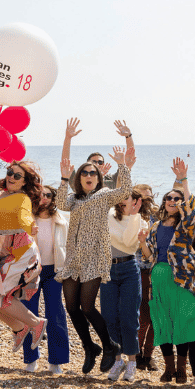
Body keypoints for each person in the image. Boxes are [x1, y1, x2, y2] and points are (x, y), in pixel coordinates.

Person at [57, 120, 136, 375]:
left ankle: (109, 345)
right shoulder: (74, 199)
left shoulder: (104, 196)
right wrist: (62, 172)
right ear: (78, 178)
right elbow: (59, 202)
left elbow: (125, 189)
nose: (89, 176)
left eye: (93, 173)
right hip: (73, 258)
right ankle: (90, 347)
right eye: (85, 173)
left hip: (95, 257)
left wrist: (123, 162)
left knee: (88, 306)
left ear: (99, 178)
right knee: (71, 307)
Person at [140, 159, 195, 386]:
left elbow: (191, 208)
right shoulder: (154, 226)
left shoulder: (186, 226)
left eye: (176, 198)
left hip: (180, 280)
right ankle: (168, 368)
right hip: (158, 278)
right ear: (164, 203)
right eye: (168, 198)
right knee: (162, 323)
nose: (172, 201)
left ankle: (182, 369)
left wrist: (184, 179)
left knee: (181, 322)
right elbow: (148, 256)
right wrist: (142, 242)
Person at [0, 162, 48, 362]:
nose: (12, 177)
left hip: (18, 251)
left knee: (0, 293)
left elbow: (23, 216)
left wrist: (30, 226)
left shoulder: (22, 198)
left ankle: (36, 323)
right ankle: (19, 328)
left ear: (25, 182)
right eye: (10, 173)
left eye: (18, 176)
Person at [23, 184, 69, 374]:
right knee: (28, 313)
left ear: (53, 198)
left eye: (48, 195)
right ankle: (30, 358)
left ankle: (56, 361)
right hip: (30, 271)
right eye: (41, 195)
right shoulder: (26, 219)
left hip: (54, 271)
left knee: (55, 313)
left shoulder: (61, 220)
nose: (44, 198)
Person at [103, 189, 146, 382]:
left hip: (129, 268)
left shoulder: (140, 221)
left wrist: (133, 216)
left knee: (129, 318)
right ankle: (117, 360)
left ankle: (132, 362)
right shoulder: (109, 215)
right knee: (109, 316)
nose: (121, 201)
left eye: (126, 198)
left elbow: (129, 243)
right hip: (108, 269)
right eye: (119, 197)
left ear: (135, 201)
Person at [132, 183, 159, 372]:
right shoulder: (129, 215)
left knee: (157, 316)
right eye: (141, 197)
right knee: (142, 315)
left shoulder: (158, 216)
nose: (145, 201)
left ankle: (149, 354)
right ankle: (138, 353)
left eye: (148, 197)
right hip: (138, 269)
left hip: (158, 269)